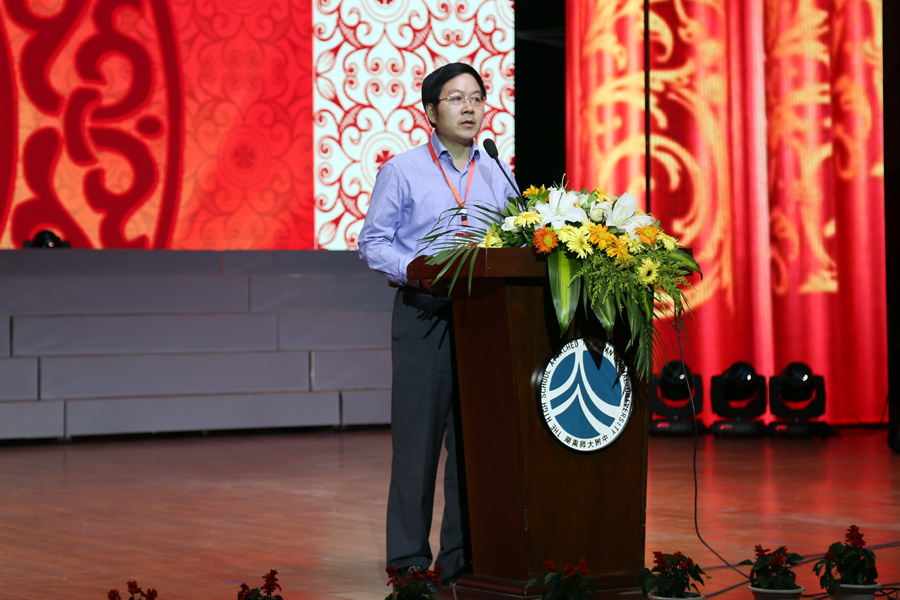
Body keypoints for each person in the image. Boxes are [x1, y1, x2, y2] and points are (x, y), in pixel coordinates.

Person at [357, 62, 517, 588]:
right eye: (456, 99)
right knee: (418, 445)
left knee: (474, 445)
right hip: (424, 313)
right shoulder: (402, 171)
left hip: (483, 320)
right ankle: (407, 560)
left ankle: (461, 558)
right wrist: (415, 271)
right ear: (431, 111)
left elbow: (517, 238)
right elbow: (373, 242)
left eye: (476, 98)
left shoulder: (497, 170)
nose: (469, 108)